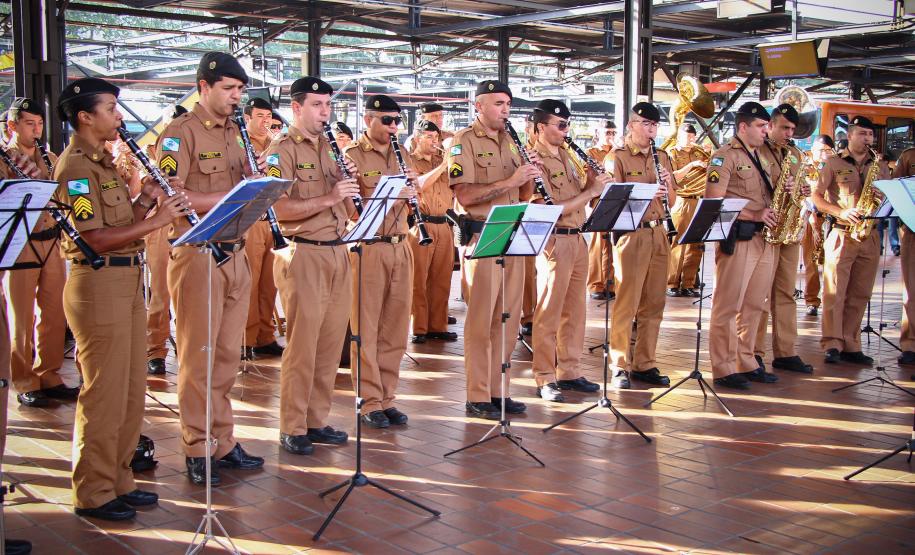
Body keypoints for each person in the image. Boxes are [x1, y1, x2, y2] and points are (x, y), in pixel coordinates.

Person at [55, 77, 188, 519]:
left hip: (127, 280)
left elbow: (121, 223)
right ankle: (93, 491)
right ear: (84, 117)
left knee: (132, 389)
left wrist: (146, 201)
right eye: (111, 108)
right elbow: (93, 238)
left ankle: (119, 479)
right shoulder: (76, 167)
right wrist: (155, 223)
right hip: (98, 285)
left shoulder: (106, 162)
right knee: (104, 392)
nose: (119, 116)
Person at [158, 52, 265, 485]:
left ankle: (222, 439)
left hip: (233, 251)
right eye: (229, 89)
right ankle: (197, 445)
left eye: (240, 90)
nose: (236, 98)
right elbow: (172, 192)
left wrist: (253, 186)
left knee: (226, 357)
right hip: (199, 254)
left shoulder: (234, 133)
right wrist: (236, 195)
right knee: (199, 356)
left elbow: (238, 185)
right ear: (204, 87)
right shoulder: (178, 133)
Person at [265, 77, 357, 454]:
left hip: (338, 250)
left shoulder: (330, 148)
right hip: (302, 252)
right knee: (303, 345)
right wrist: (329, 195)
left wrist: (345, 186)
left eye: (328, 105)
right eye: (317, 105)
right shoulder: (280, 150)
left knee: (330, 344)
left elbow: (348, 208)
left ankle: (316, 419)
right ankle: (292, 424)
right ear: (297, 108)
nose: (325, 112)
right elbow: (278, 208)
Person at [448, 80, 536, 419]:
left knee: (508, 319)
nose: (505, 111)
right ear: (479, 106)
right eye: (498, 104)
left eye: (508, 105)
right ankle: (477, 394)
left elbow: (524, 195)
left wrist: (528, 175)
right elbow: (466, 196)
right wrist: (509, 181)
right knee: (482, 320)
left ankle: (501, 390)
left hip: (513, 232)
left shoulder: (513, 141)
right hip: (481, 235)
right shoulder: (463, 142)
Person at [343, 94, 418, 429]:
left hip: (401, 243)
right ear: (367, 119)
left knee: (395, 328)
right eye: (386, 120)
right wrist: (391, 196)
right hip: (369, 247)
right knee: (367, 328)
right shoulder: (351, 155)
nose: (393, 127)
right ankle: (368, 400)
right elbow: (352, 208)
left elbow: (416, 196)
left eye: (396, 121)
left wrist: (415, 189)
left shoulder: (402, 153)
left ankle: (388, 397)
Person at [529, 100, 609, 401]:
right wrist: (590, 191)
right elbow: (555, 210)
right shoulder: (534, 160)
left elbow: (582, 200)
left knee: (575, 311)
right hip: (555, 240)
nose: (566, 131)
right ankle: (545, 376)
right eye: (560, 125)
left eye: (567, 125)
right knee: (549, 312)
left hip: (578, 238)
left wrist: (593, 183)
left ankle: (570, 370)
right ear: (541, 127)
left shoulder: (567, 156)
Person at [2, 98, 77, 407]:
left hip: (52, 242)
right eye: (29, 124)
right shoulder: (4, 159)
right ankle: (23, 380)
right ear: (12, 126)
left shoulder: (49, 158)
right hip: (20, 244)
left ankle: (49, 373)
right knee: (20, 317)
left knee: (53, 312)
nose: (36, 130)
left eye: (39, 124)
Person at [707, 102, 779, 390]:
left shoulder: (762, 157)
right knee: (728, 305)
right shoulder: (723, 157)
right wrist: (754, 214)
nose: (766, 131)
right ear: (743, 127)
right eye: (761, 127)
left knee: (754, 305)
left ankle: (745, 360)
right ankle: (723, 367)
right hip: (740, 237)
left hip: (765, 238)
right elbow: (714, 200)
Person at [607, 102, 675, 389]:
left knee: (654, 302)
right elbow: (614, 200)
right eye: (645, 124)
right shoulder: (617, 158)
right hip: (632, 234)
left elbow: (672, 199)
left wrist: (669, 184)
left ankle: (645, 363)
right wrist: (647, 193)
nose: (651, 130)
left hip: (659, 232)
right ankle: (619, 363)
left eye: (654, 125)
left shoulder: (662, 156)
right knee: (627, 302)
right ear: (632, 125)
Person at [813, 116, 890, 365]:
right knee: (835, 292)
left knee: (860, 293)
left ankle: (851, 343)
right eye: (863, 134)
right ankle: (832, 343)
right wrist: (839, 211)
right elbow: (816, 196)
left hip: (870, 234)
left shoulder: (880, 165)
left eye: (871, 135)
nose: (868, 139)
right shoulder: (833, 163)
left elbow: (890, 197)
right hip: (843, 233)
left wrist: (884, 196)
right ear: (851, 134)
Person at [753, 104, 814, 375]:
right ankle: (753, 353)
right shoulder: (758, 151)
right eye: (784, 128)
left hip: (788, 230)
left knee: (786, 293)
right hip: (766, 230)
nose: (789, 133)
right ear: (771, 125)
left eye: (792, 129)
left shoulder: (795, 154)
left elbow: (800, 193)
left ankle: (786, 351)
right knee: (760, 295)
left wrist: (802, 190)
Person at [146, 104, 187, 376]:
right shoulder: (157, 149)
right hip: (162, 225)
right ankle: (155, 350)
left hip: (188, 225)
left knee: (187, 295)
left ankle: (187, 350)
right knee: (160, 293)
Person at [408, 119, 456, 344]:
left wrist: (452, 155)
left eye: (436, 138)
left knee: (442, 278)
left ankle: (438, 325)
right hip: (421, 224)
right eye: (429, 137)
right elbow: (418, 185)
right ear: (417, 138)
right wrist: (443, 165)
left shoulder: (443, 160)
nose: (434, 142)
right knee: (420, 278)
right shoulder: (411, 160)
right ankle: (419, 327)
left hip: (443, 223)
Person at [242, 97, 283, 359]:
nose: (266, 121)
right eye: (260, 116)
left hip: (274, 218)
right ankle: (245, 338)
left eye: (268, 116)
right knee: (250, 281)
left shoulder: (276, 142)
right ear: (247, 118)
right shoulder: (239, 142)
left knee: (270, 282)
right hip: (252, 220)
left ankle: (265, 335)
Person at [665, 123, 707, 297]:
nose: (691, 140)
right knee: (678, 243)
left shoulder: (699, 152)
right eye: (688, 136)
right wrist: (692, 166)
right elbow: (672, 177)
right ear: (679, 136)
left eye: (693, 136)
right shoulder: (672, 153)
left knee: (696, 244)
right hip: (682, 200)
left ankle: (688, 283)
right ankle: (672, 283)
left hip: (700, 199)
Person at [801, 134, 835, 316]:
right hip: (809, 216)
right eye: (820, 150)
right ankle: (812, 300)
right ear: (813, 150)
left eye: (827, 150)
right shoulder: (804, 166)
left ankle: (831, 299)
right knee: (811, 262)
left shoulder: (835, 165)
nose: (823, 154)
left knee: (830, 263)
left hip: (830, 218)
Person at [587, 120, 617, 301]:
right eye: (607, 132)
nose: (611, 136)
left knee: (612, 244)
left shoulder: (617, 152)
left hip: (615, 199)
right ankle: (596, 283)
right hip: (598, 201)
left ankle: (610, 282)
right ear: (598, 133)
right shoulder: (591, 153)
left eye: (613, 133)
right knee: (599, 244)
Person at [894, 147, 915, 365]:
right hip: (913, 230)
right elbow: (896, 189)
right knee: (911, 290)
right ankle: (910, 345)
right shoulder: (909, 156)